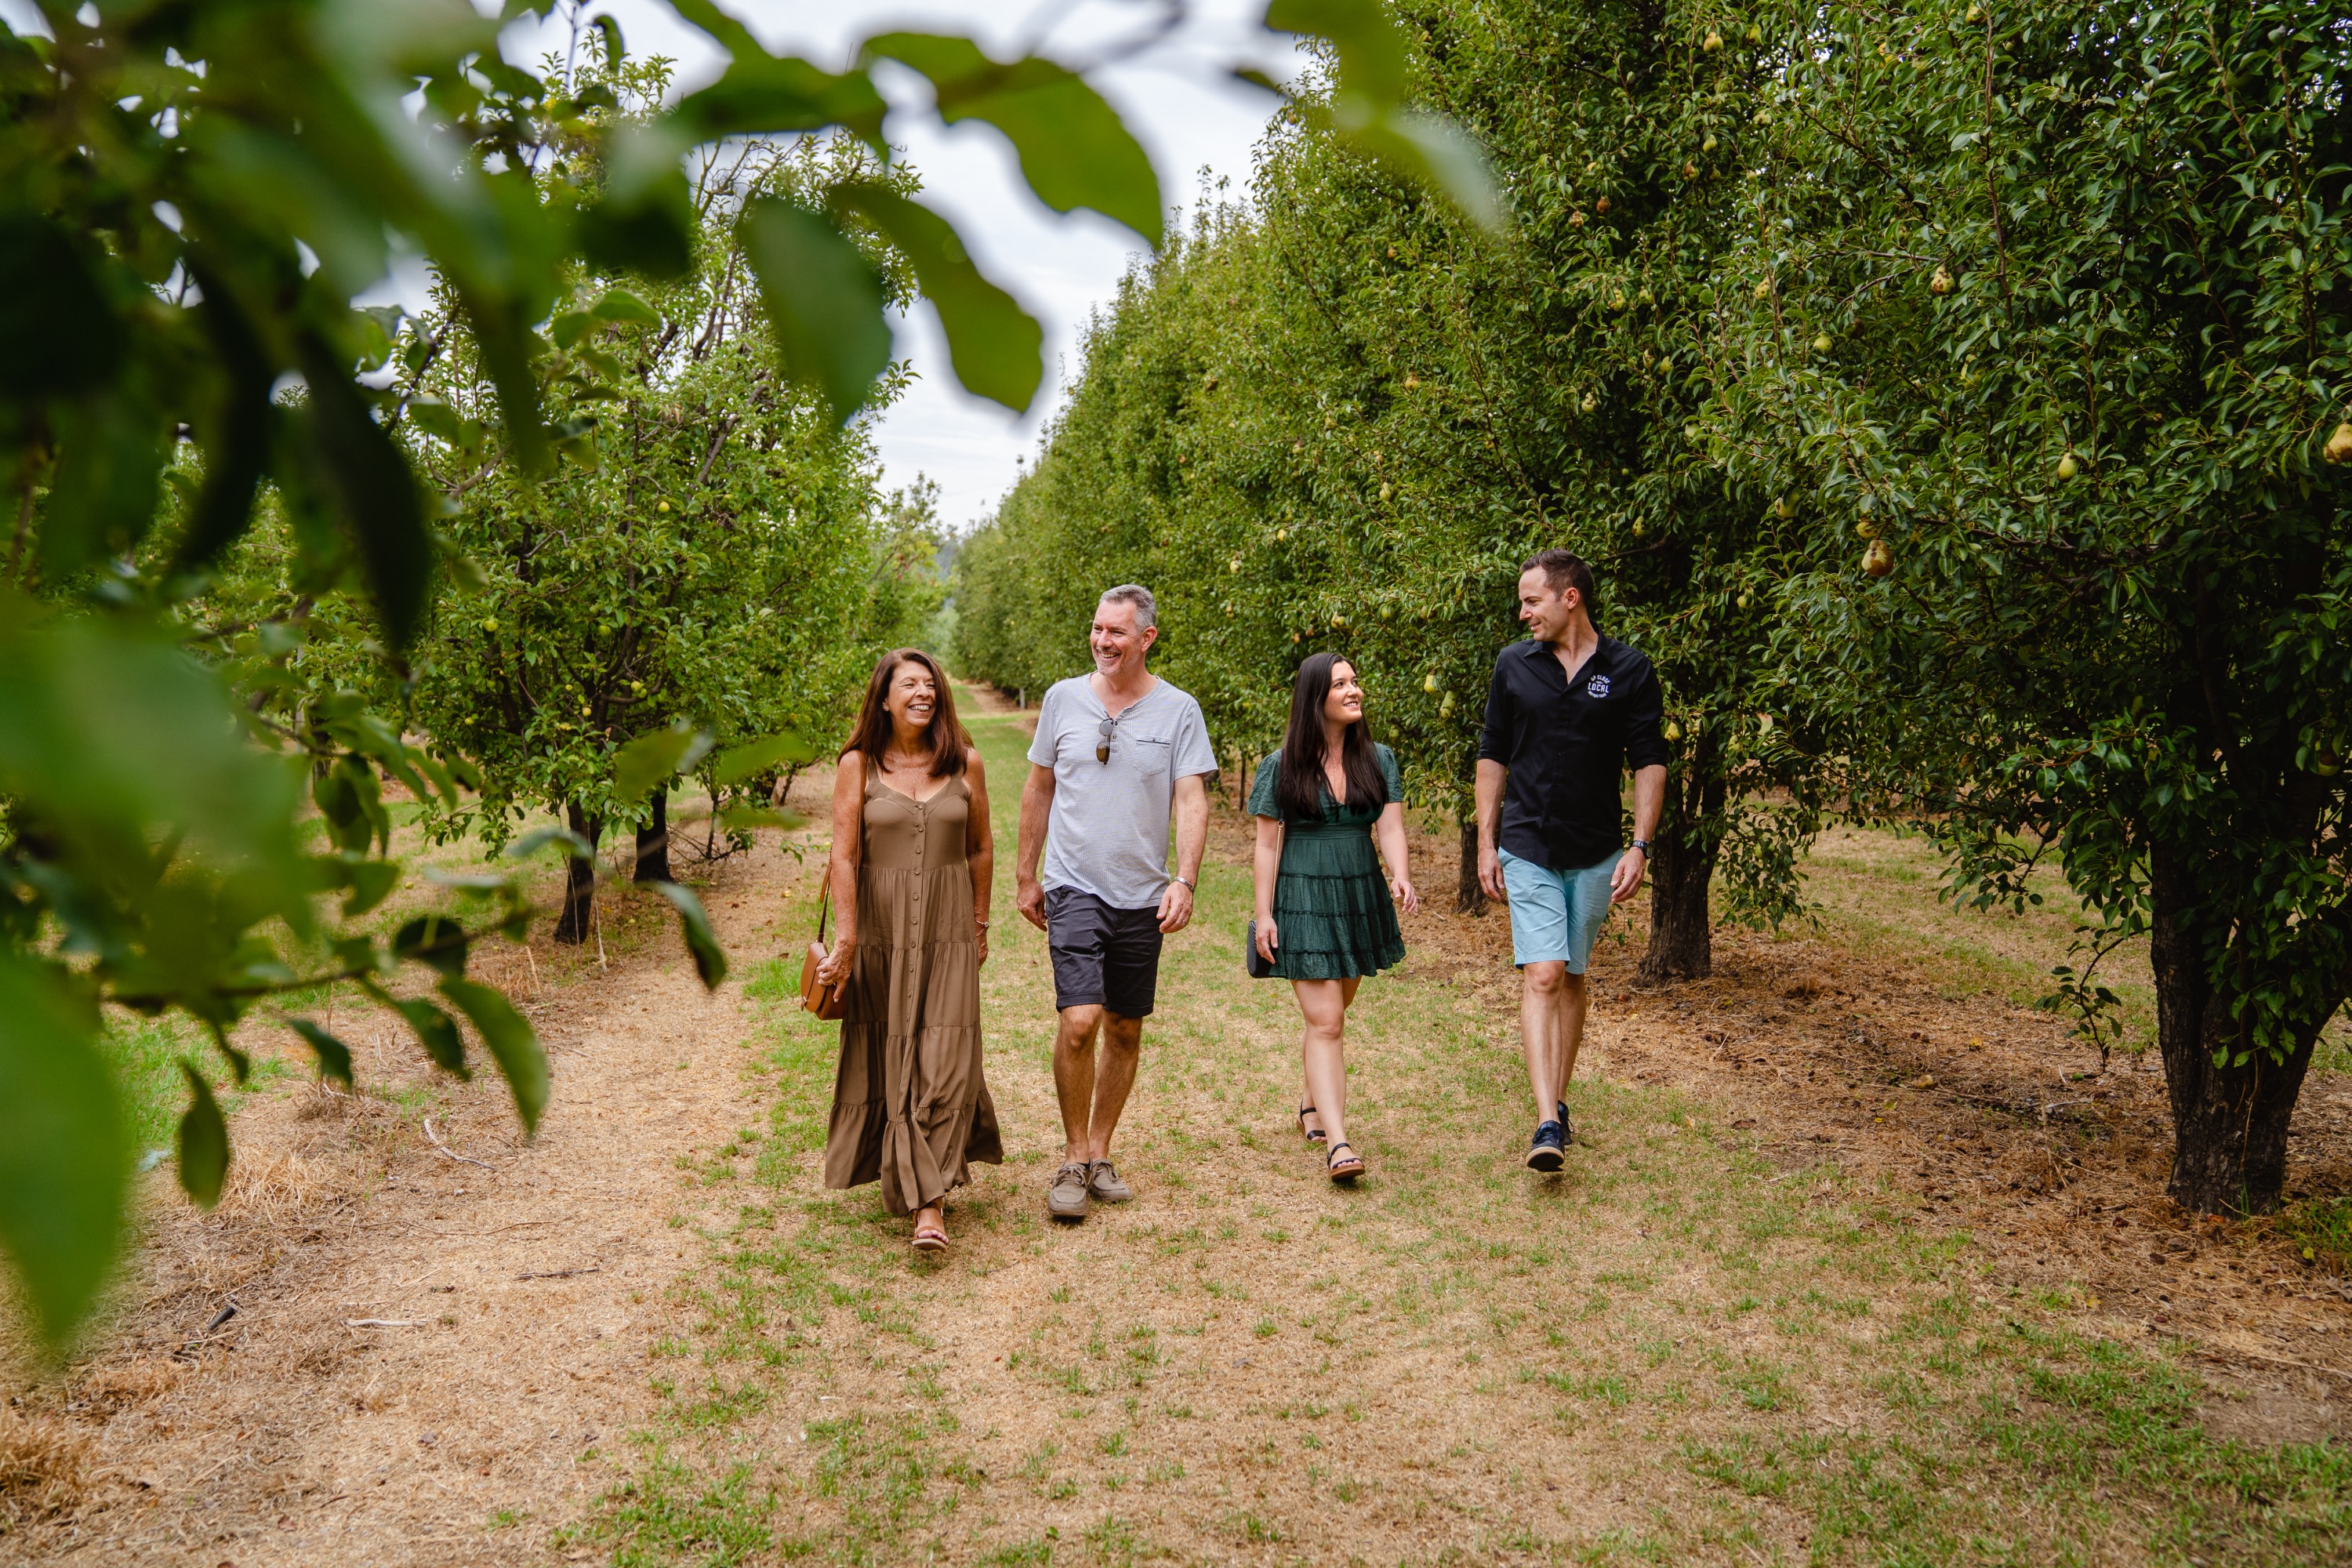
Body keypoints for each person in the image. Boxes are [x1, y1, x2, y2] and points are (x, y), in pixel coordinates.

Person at [1015, 585, 1215, 1221]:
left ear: (1147, 638)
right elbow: (1039, 787)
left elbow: (1190, 799)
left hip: (1142, 893)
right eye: (1097, 629)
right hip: (1074, 883)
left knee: (1125, 1026)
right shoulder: (1062, 700)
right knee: (1081, 1020)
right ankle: (1073, 1159)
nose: (1103, 641)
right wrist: (1027, 875)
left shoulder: (1179, 711)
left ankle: (1100, 1152)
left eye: (1117, 633)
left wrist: (1183, 879)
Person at [1475, 550, 1667, 1171]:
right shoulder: (1513, 664)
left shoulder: (1630, 670)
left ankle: (1560, 1097)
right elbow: (1492, 753)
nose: (1523, 612)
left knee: (1575, 975)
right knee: (1545, 974)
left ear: (1570, 598)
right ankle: (1545, 1122)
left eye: (1532, 600)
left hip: (1595, 852)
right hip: (1526, 841)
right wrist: (1485, 838)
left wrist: (1640, 844)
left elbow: (1649, 761)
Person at [814, 648, 1001, 1251]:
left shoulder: (964, 764)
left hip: (948, 931)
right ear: (885, 699)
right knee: (893, 1054)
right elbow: (843, 856)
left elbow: (979, 848)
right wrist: (847, 941)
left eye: (930, 684)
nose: (922, 693)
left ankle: (930, 1204)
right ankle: (912, 1175)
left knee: (946, 1058)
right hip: (881, 933)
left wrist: (979, 921)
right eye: (909, 685)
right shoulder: (858, 765)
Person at [1248, 653, 1419, 1183]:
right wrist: (1264, 912)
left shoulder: (1379, 758)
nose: (1355, 690)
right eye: (1341, 683)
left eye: (1355, 681)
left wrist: (1401, 873)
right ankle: (1340, 1143)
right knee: (1328, 1021)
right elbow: (1265, 845)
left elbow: (1389, 827)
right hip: (1302, 894)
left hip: (1358, 894)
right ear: (1314, 698)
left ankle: (1310, 1097)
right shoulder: (1282, 765)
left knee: (1335, 1007)